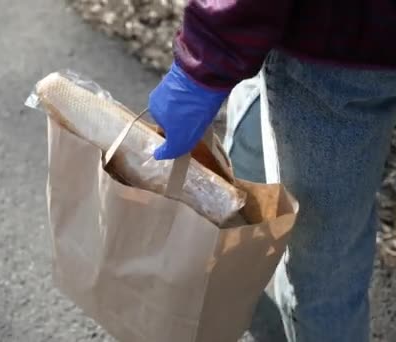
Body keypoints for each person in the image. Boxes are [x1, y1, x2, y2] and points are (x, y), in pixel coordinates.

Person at [147, 1, 396, 342]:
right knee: (252, 164)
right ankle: (250, 296)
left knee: (324, 270)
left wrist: (203, 60)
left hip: (338, 43)